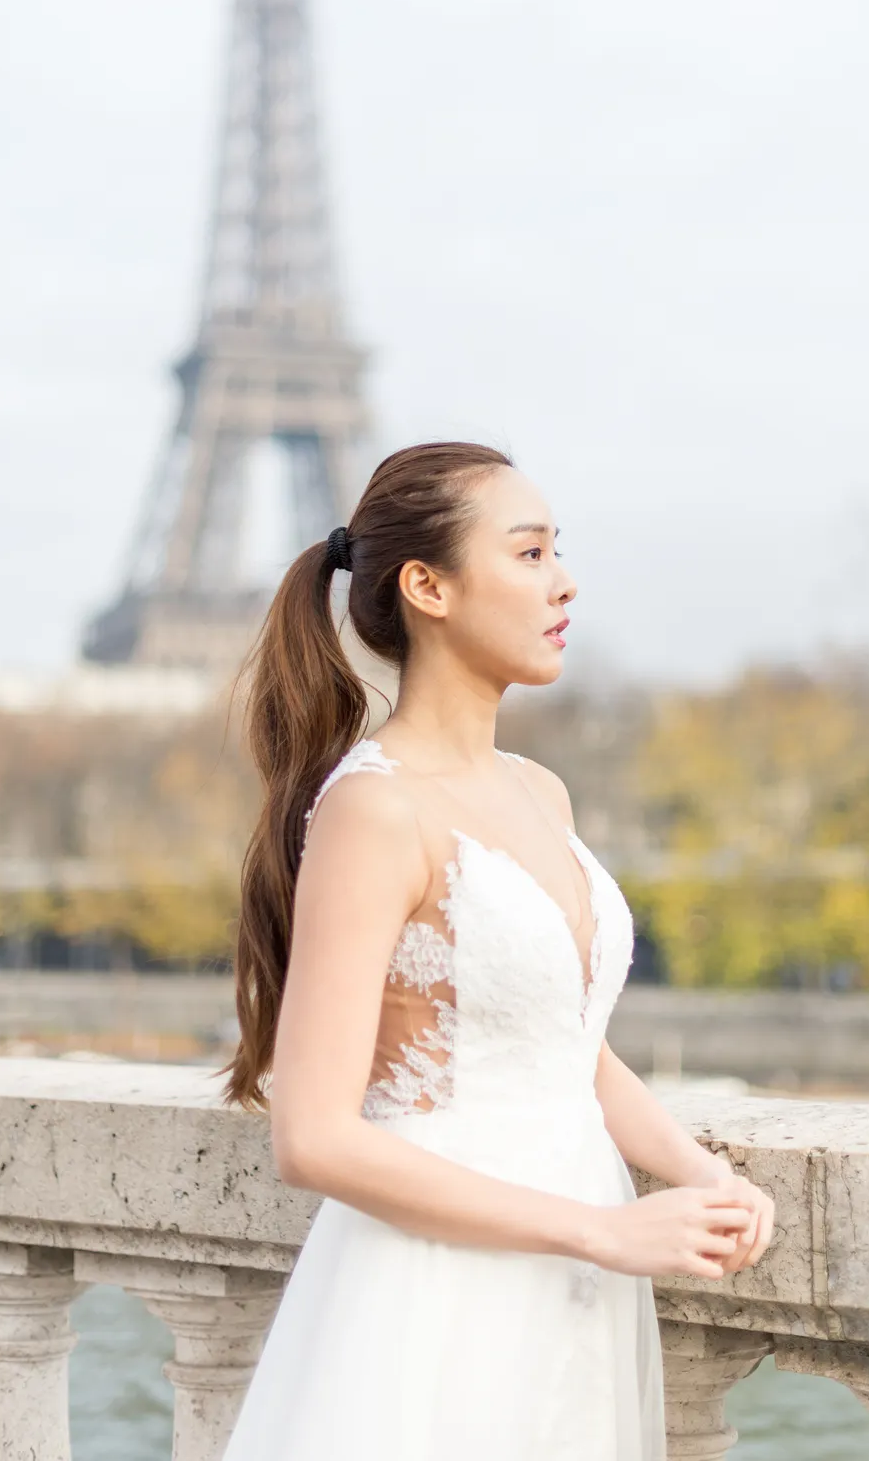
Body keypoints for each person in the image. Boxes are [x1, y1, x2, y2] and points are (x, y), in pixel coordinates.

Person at [219, 439, 774, 1460]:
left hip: (573, 1278)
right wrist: (603, 1231)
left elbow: (570, 1046)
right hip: (437, 1286)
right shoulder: (374, 811)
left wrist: (705, 1176)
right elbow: (313, 1136)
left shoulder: (539, 791)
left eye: (558, 549)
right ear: (427, 586)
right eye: (528, 553)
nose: (563, 580)